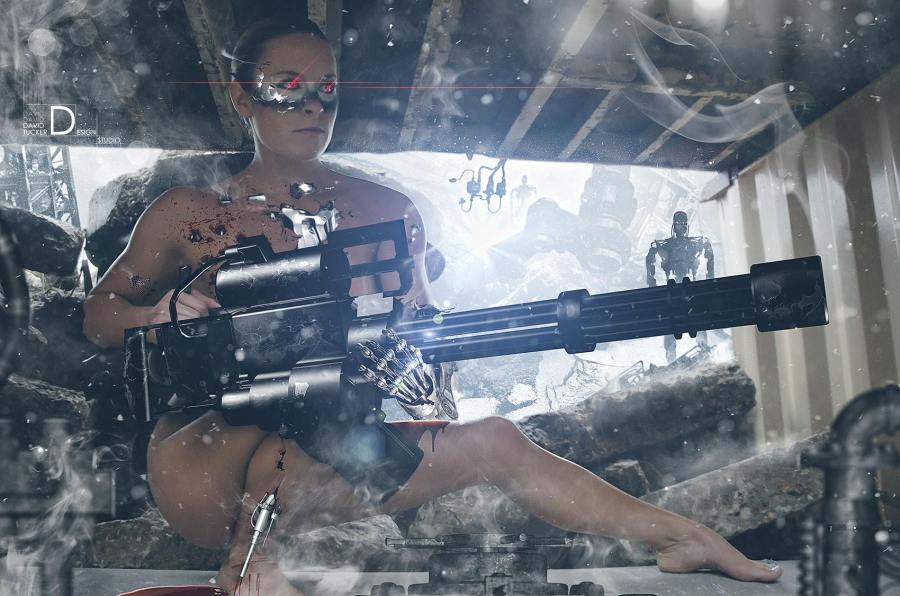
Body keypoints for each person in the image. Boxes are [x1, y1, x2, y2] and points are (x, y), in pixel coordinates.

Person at [82, 18, 782, 596]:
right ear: (242, 97)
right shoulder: (189, 213)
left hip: (326, 458)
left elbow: (422, 337)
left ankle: (684, 538)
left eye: (327, 90)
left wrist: (425, 386)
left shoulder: (389, 213)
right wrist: (158, 314)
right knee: (299, 402)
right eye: (286, 88)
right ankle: (248, 568)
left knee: (494, 439)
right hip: (202, 460)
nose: (313, 107)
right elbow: (100, 313)